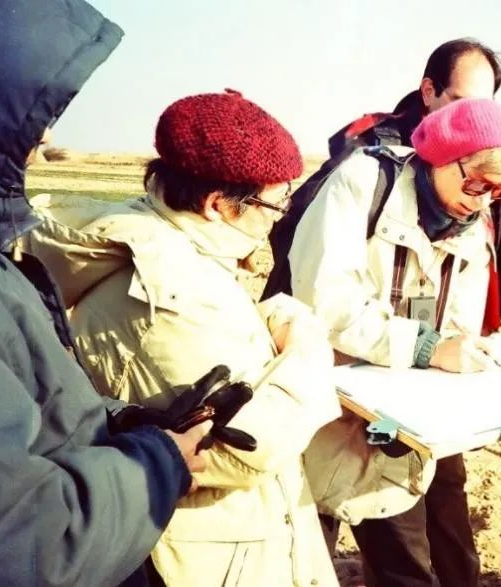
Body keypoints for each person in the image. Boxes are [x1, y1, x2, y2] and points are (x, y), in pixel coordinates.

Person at [26, 91, 342, 585]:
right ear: (217, 205)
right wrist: (308, 348)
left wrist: (268, 316)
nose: (280, 215)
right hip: (209, 556)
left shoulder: (172, 241)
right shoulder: (171, 285)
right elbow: (242, 448)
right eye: (276, 202)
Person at [0, 1, 210, 585]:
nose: (47, 137)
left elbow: (29, 402)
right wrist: (160, 462)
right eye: (34, 111)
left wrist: (123, 422)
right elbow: (14, 543)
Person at [292, 98, 501, 587]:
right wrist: (425, 348)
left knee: (404, 565)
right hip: (320, 411)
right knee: (303, 564)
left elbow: (459, 324)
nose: (483, 201)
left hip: (397, 424)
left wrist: (463, 355)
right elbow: (326, 301)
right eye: (477, 183)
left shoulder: (473, 227)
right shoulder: (361, 183)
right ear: (441, 158)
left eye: (497, 191)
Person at [266, 37, 501, 329]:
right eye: (462, 103)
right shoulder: (367, 162)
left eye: (485, 105)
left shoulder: (487, 176)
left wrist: (478, 329)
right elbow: (303, 242)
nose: (483, 199)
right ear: (428, 91)